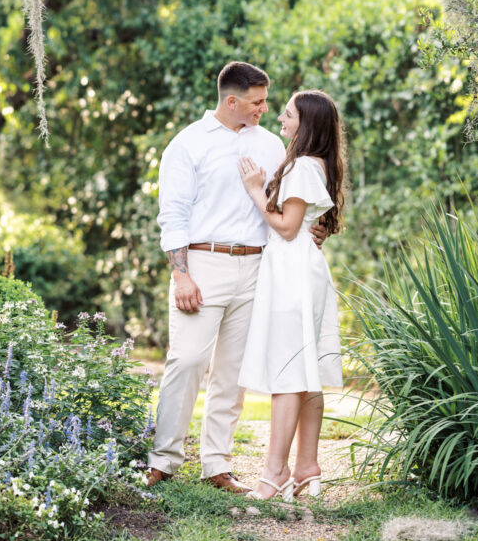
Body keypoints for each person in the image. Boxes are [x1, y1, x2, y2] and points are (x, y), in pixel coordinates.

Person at [146, 61, 327, 492]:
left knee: (232, 371)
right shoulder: (187, 144)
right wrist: (181, 275)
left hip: (260, 266)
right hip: (203, 264)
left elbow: (292, 202)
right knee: (187, 360)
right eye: (258, 101)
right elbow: (172, 215)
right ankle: (163, 459)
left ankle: (217, 464)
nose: (266, 108)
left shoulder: (272, 146)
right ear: (232, 101)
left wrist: (313, 229)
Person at [237, 89, 344, 501]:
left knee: (288, 372)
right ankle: (306, 467)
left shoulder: (301, 166)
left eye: (287, 115)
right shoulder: (319, 164)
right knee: (304, 371)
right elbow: (304, 226)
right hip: (301, 267)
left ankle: (274, 472)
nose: (280, 120)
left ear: (307, 123)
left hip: (292, 271)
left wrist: (254, 189)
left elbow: (285, 226)